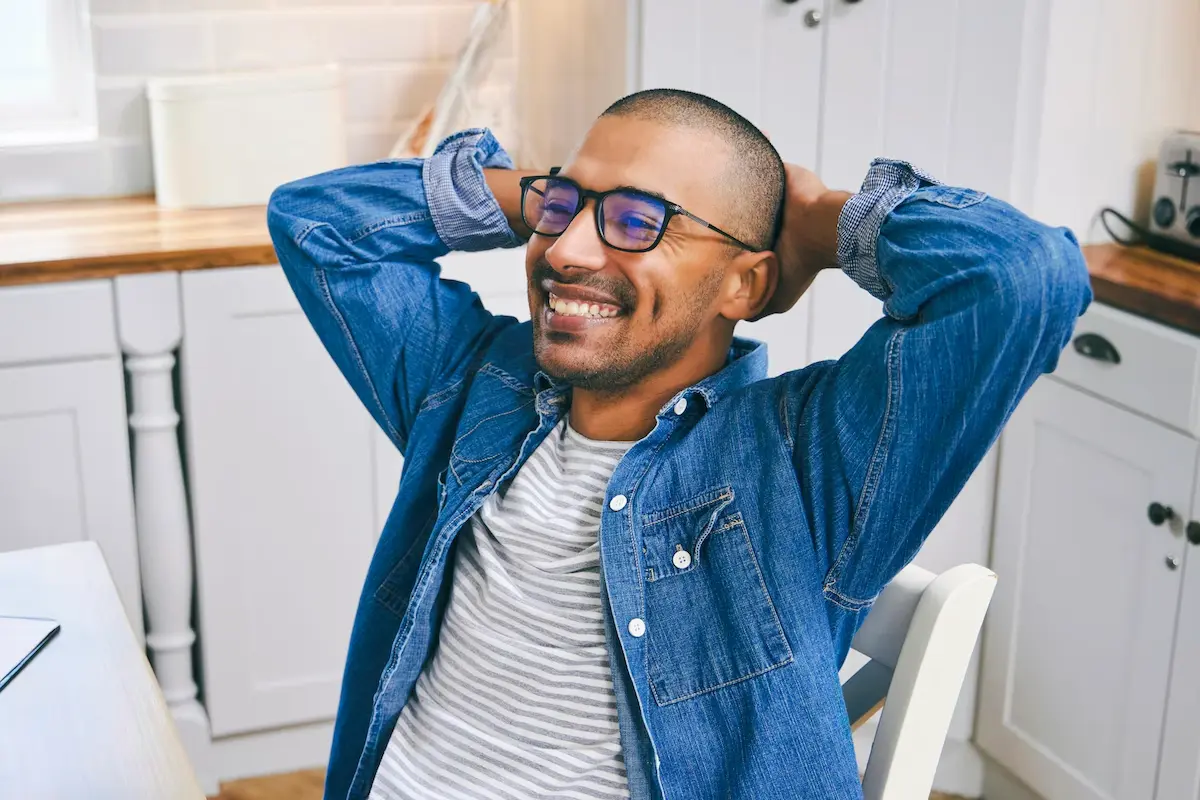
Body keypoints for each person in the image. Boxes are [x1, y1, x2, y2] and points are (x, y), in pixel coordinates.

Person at [267, 89, 1091, 800]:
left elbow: (1022, 278)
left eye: (637, 221)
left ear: (746, 283)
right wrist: (532, 193)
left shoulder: (805, 461)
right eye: (563, 210)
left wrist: (828, 220)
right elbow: (316, 224)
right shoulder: (472, 386)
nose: (565, 251)